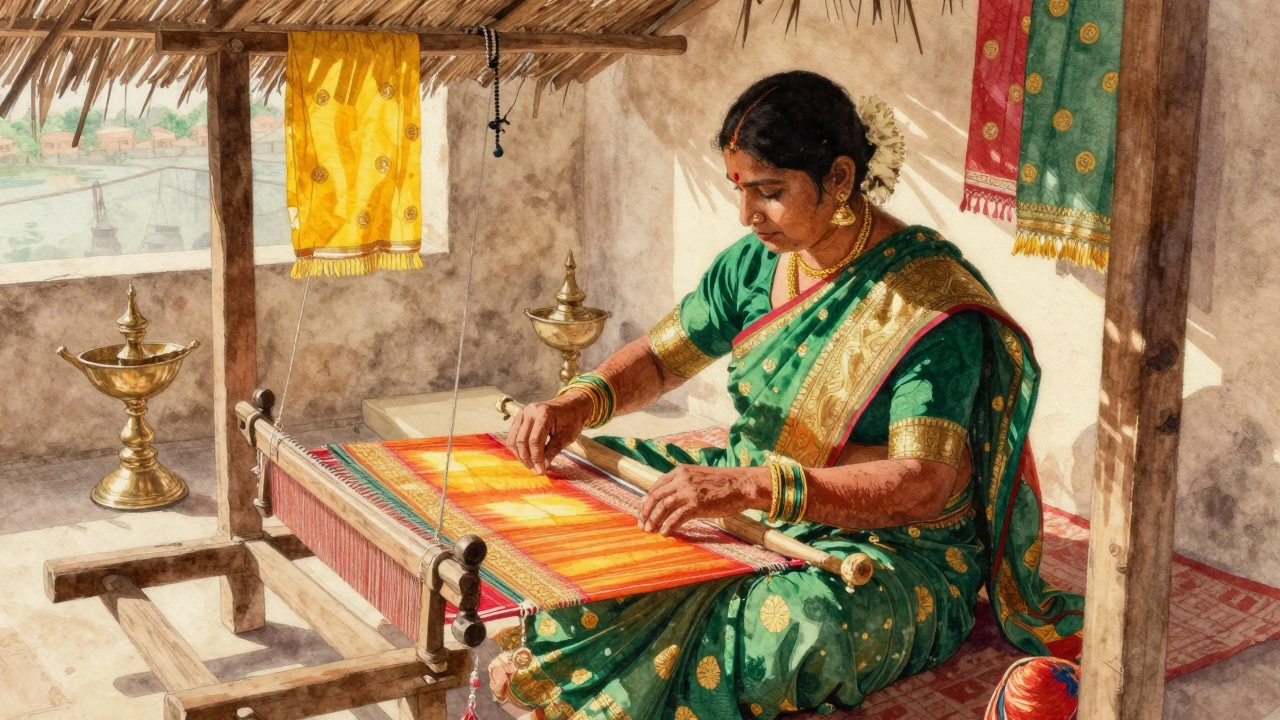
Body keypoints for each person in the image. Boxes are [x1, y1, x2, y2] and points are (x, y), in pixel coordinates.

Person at [492, 70, 1083, 720]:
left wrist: (755, 488)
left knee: (779, 636)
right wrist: (576, 405)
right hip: (748, 490)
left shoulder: (928, 306)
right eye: (740, 191)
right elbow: (662, 360)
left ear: (837, 178)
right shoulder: (754, 264)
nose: (748, 215)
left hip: (888, 548)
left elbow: (925, 482)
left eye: (769, 193)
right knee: (588, 518)